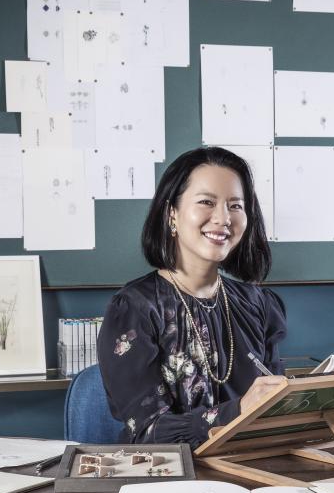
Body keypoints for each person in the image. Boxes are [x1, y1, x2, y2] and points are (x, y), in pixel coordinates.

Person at [97, 147, 287, 448]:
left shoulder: (257, 305)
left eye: (235, 205)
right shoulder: (135, 309)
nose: (223, 218)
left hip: (250, 467)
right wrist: (238, 411)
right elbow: (147, 433)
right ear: (172, 213)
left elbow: (275, 408)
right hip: (170, 479)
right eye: (206, 202)